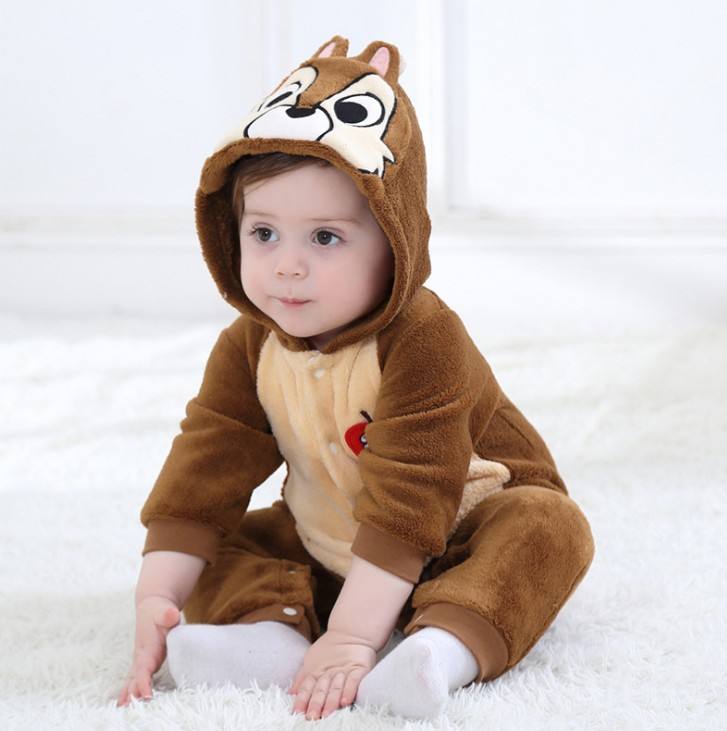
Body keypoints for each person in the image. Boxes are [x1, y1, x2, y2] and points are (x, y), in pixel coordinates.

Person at [116, 35, 595, 721]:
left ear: (395, 241)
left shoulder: (426, 338)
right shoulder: (250, 343)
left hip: (458, 529)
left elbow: (413, 494)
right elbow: (205, 465)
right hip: (332, 536)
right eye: (263, 233)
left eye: (325, 237)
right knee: (226, 539)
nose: (286, 265)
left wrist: (351, 638)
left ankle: (443, 647)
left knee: (548, 529)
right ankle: (269, 636)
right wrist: (155, 597)